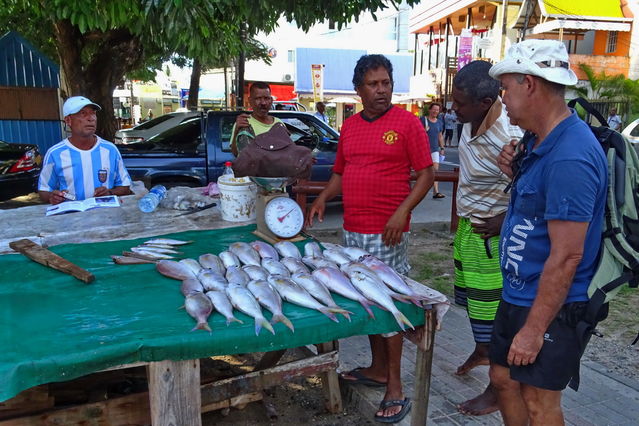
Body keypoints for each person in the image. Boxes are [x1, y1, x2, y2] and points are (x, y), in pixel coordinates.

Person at [306, 54, 434, 423]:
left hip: (386, 233)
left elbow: (426, 175)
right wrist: (322, 199)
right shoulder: (349, 127)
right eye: (373, 84)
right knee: (367, 301)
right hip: (353, 231)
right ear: (358, 89)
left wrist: (401, 213)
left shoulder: (408, 124)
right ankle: (378, 370)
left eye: (386, 83)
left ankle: (395, 387)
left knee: (388, 306)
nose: (382, 90)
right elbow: (341, 172)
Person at [490, 40, 608, 424]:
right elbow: (538, 208)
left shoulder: (570, 155)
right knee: (503, 379)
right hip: (519, 292)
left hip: (551, 303)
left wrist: (534, 330)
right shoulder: (539, 141)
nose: (502, 98)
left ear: (529, 83)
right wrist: (515, 173)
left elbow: (568, 255)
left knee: (539, 399)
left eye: (506, 87)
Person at [450, 60, 523, 416]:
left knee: (494, 316)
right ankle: (482, 350)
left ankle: (498, 390)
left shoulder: (510, 133)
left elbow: (536, 186)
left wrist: (504, 218)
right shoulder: (470, 119)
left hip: (490, 237)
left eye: (459, 103)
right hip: (468, 228)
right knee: (474, 307)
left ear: (484, 102)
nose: (453, 108)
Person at [38, 96, 132, 204]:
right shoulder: (55, 154)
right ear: (68, 120)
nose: (90, 118)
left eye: (93, 113)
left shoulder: (110, 150)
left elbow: (125, 187)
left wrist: (110, 193)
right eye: (83, 113)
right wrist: (52, 197)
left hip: (106, 217)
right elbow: (44, 190)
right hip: (71, 218)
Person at [230, 82, 285, 156]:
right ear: (250, 101)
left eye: (266, 98)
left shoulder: (279, 123)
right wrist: (236, 132)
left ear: (271, 100)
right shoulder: (244, 122)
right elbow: (236, 153)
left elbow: (287, 152)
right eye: (258, 98)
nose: (263, 103)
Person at [424, 103, 446, 198]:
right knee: (421, 171)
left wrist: (442, 148)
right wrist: (424, 130)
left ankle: (436, 192)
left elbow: (440, 136)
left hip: (434, 149)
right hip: (423, 150)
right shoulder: (423, 120)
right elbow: (416, 134)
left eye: (437, 110)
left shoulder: (439, 122)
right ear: (430, 110)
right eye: (434, 109)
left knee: (435, 171)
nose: (435, 111)